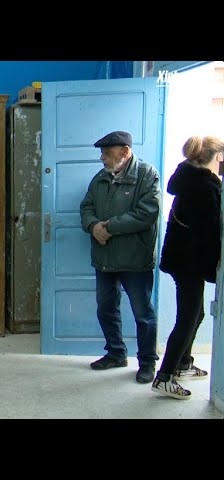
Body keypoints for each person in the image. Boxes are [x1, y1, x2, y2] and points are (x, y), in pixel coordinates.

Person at [80, 131, 162, 384]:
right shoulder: (100, 178)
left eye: (107, 152)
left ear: (125, 152)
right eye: (102, 153)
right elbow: (86, 207)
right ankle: (116, 353)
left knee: (142, 314)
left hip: (135, 259)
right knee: (106, 309)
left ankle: (147, 362)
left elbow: (147, 213)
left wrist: (109, 228)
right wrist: (93, 226)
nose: (102, 158)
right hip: (105, 258)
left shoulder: (147, 175)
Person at [152, 136, 223, 400]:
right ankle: (165, 377)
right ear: (216, 158)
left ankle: (183, 363)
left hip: (183, 259)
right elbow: (209, 232)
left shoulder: (188, 179)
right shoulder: (204, 186)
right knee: (188, 318)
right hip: (190, 262)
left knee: (198, 313)